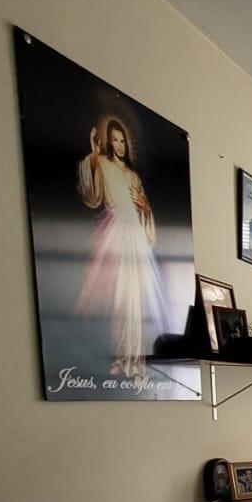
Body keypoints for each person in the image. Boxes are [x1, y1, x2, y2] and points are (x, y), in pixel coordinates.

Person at [75, 118, 171, 381]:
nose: (119, 145)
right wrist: (93, 156)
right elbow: (92, 196)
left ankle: (134, 360)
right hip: (115, 233)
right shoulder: (102, 164)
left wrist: (145, 207)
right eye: (114, 140)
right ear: (109, 142)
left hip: (135, 238)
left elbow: (146, 217)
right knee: (119, 300)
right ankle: (118, 358)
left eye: (122, 141)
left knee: (135, 301)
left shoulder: (133, 176)